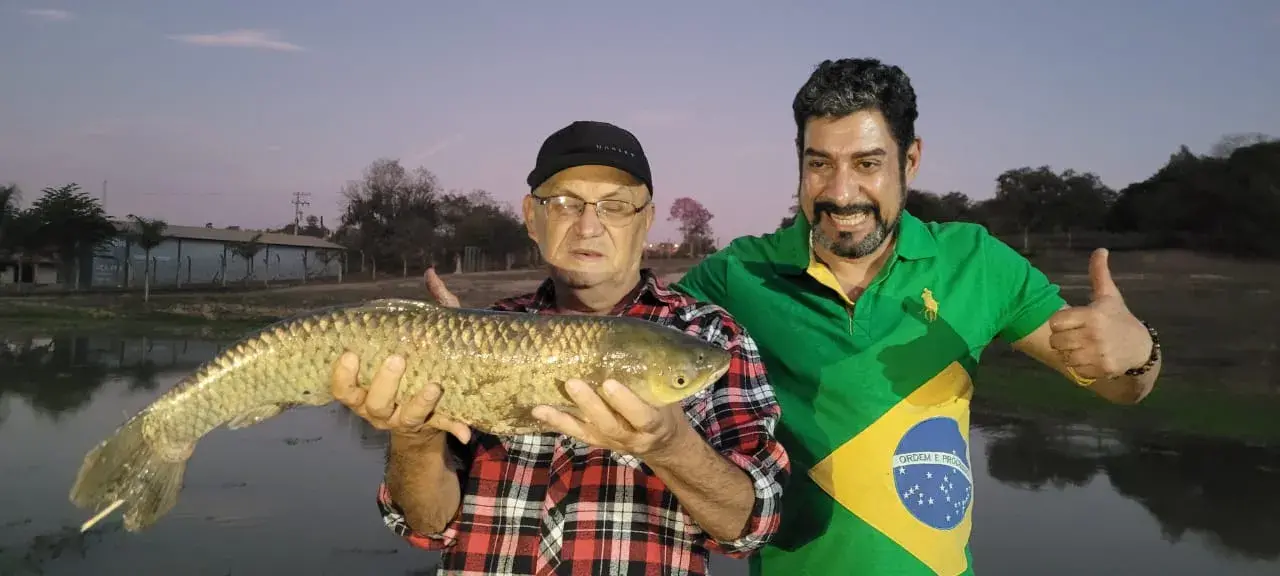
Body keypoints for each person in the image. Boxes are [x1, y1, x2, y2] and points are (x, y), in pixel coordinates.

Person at [669, 58, 1165, 576]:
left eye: (866, 164)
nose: (840, 193)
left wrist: (1138, 353)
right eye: (819, 164)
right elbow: (633, 339)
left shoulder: (976, 263)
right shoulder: (737, 274)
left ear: (910, 160)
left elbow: (1123, 389)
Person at [329, 120, 791, 575]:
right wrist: (414, 435)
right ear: (533, 217)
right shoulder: (473, 335)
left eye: (614, 207)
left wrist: (671, 446)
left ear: (646, 221)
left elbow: (750, 527)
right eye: (566, 203)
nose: (588, 226)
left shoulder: (710, 337)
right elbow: (426, 525)